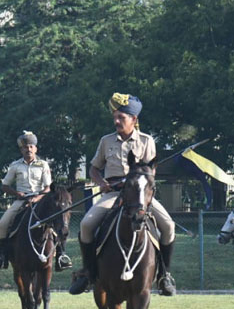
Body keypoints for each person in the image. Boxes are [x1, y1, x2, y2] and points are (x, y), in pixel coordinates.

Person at [68, 93, 176, 296]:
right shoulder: (106, 141)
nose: (117, 121)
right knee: (86, 225)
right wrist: (101, 183)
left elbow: (150, 173)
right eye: (115, 117)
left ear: (134, 120)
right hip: (113, 195)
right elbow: (93, 169)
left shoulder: (146, 141)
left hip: (140, 196)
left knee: (169, 226)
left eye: (122, 118)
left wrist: (134, 181)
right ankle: (88, 273)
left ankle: (165, 275)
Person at [0, 131, 71, 270]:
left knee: (57, 225)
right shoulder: (15, 165)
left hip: (41, 201)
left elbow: (47, 188)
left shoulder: (43, 165)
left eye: (31, 146)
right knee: (3, 224)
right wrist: (17, 193)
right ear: (21, 150)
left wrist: (36, 198)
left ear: (35, 148)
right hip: (21, 201)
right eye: (25, 147)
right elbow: (5, 185)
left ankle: (61, 256)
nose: (28, 149)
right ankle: (2, 256)